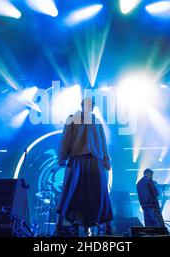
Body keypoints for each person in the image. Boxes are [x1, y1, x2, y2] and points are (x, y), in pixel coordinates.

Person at [56, 96, 113, 236]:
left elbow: (103, 142)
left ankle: (107, 228)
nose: (90, 106)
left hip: (94, 161)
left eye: (92, 104)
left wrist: (106, 159)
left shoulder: (97, 121)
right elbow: (66, 138)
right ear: (82, 105)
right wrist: (62, 156)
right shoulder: (73, 118)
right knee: (72, 193)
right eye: (88, 104)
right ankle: (59, 227)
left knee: (98, 194)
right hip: (78, 159)